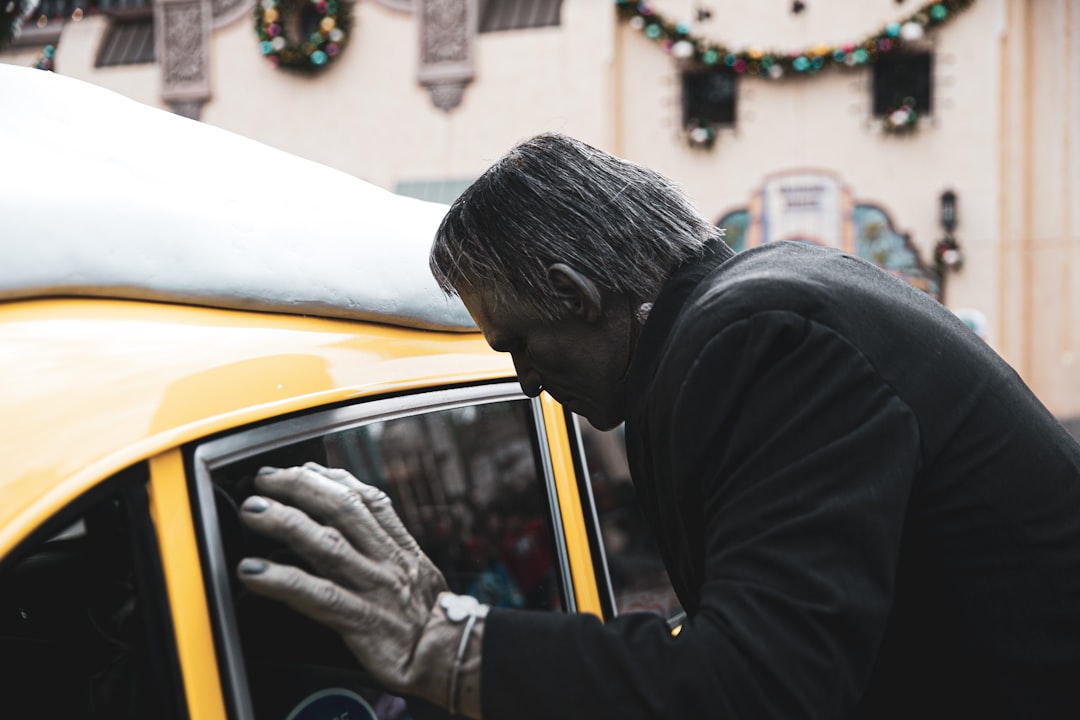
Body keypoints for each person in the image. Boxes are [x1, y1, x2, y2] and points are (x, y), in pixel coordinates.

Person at [236, 133, 1080, 719]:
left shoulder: (751, 342)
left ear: (574, 292)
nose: (527, 381)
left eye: (521, 343)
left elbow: (764, 687)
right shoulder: (765, 299)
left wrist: (443, 645)